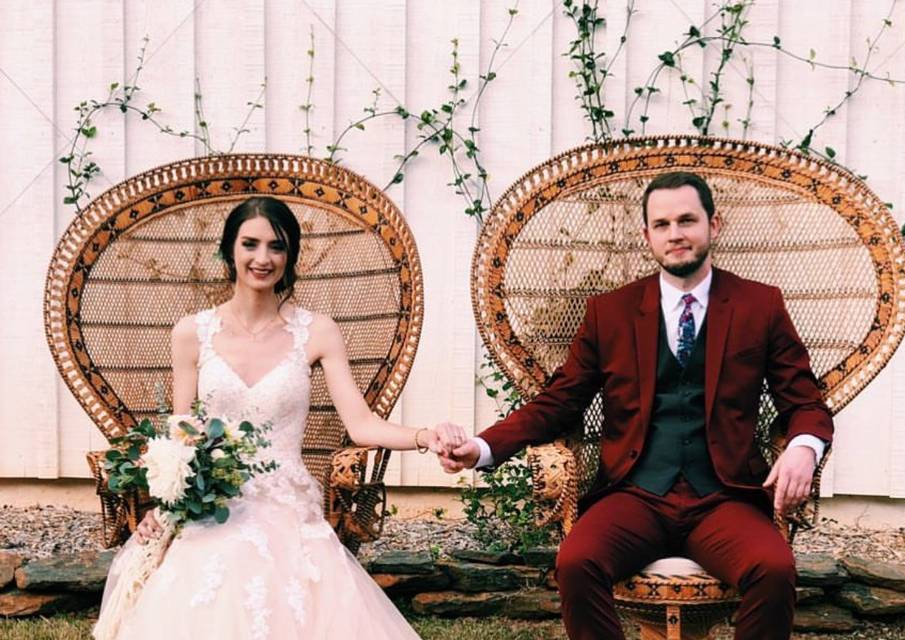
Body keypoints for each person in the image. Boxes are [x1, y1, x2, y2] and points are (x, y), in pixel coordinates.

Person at [438, 172, 834, 640]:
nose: (676, 234)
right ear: (647, 235)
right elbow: (560, 401)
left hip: (724, 495)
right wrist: (483, 447)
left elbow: (805, 400)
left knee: (773, 568)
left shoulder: (759, 305)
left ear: (714, 225)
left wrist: (804, 447)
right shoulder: (611, 312)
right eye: (662, 224)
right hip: (635, 493)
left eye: (687, 220)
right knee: (576, 561)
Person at [100, 196, 465, 639]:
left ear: (290, 255)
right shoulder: (191, 334)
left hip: (287, 507)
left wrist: (427, 435)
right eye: (250, 244)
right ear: (229, 250)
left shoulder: (317, 331)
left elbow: (362, 425)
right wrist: (167, 503)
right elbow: (183, 434)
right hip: (215, 507)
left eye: (276, 246)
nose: (262, 258)